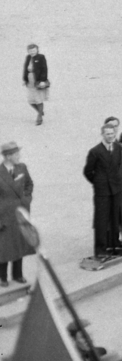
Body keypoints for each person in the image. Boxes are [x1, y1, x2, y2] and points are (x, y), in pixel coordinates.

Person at [83, 120, 122, 259]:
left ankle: (114, 246)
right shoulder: (95, 151)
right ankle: (100, 250)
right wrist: (98, 183)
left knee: (114, 219)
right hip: (102, 192)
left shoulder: (118, 147)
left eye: (112, 133)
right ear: (102, 135)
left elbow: (117, 165)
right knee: (101, 221)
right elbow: (88, 171)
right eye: (107, 134)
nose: (110, 136)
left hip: (115, 190)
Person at [0, 141, 34, 286]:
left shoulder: (22, 168)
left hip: (20, 212)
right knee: (5, 247)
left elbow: (29, 184)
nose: (19, 156)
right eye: (16, 154)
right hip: (5, 215)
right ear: (8, 156)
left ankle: (18, 274)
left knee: (19, 245)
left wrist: (26, 200)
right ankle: (2, 277)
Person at [22, 42, 49, 126]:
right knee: (30, 101)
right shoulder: (28, 57)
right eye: (30, 50)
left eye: (34, 50)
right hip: (30, 82)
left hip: (37, 81)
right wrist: (25, 79)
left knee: (38, 100)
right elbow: (25, 69)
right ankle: (40, 111)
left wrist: (42, 80)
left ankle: (39, 117)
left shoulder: (41, 57)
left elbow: (44, 69)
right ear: (28, 51)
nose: (32, 52)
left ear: (37, 50)